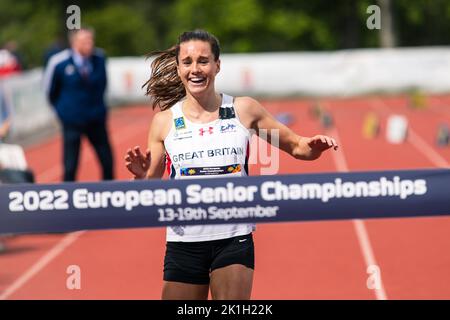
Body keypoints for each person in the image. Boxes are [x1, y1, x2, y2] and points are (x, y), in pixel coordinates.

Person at [125, 30, 338, 300]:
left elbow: (298, 146)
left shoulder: (243, 110)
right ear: (178, 68)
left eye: (203, 61)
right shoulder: (164, 122)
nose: (195, 69)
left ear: (217, 65)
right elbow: (150, 188)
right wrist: (143, 176)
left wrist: (314, 145)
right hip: (183, 241)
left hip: (233, 237)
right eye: (187, 62)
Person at [44, 27, 114, 182]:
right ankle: (68, 197)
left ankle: (110, 193)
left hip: (96, 119)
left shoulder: (100, 58)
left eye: (91, 40)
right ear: (74, 43)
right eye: (85, 41)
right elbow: (50, 91)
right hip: (72, 122)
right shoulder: (59, 62)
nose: (89, 44)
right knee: (70, 165)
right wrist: (63, 113)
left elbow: (103, 85)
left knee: (107, 160)